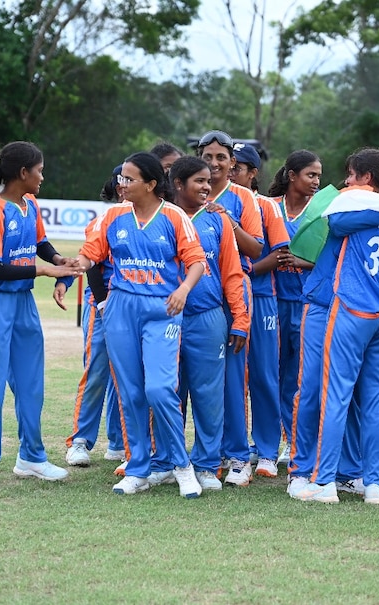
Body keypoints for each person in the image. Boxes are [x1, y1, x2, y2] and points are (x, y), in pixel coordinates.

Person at [293, 148, 379, 505]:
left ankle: (324, 480)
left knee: (334, 394)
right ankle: (373, 483)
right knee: (373, 399)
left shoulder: (353, 204)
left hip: (351, 306)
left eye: (353, 175)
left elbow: (335, 222)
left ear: (367, 179)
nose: (347, 182)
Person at [75, 151, 207, 497]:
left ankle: (181, 466)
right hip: (120, 309)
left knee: (159, 389)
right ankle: (138, 470)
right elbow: (91, 253)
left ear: (150, 184)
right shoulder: (113, 215)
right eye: (121, 178)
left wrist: (182, 290)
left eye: (129, 179)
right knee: (130, 392)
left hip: (162, 309)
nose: (122, 185)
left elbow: (196, 263)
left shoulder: (175, 216)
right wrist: (68, 265)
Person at [0, 141, 80, 489]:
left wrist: (58, 260)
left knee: (31, 385)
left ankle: (31, 457)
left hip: (23, 305)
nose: (42, 177)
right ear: (22, 173)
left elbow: (41, 244)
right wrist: (46, 272)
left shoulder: (30, 203)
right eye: (39, 170)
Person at [157, 155, 250, 491]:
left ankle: (207, 465)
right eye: (199, 181)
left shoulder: (218, 220)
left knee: (209, 394)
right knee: (168, 391)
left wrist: (239, 318)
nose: (207, 187)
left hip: (209, 317)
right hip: (166, 316)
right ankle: (168, 460)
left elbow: (232, 272)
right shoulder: (162, 217)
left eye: (208, 182)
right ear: (178, 184)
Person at [197, 129, 263, 487]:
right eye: (208, 156)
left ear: (232, 163)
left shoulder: (241, 198)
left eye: (221, 158)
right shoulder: (185, 193)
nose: (214, 163)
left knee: (234, 378)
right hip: (196, 296)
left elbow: (256, 249)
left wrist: (227, 221)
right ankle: (195, 455)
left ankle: (238, 456)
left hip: (234, 292)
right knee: (195, 379)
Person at [231, 143, 291, 478]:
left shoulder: (265, 205)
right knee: (230, 379)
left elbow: (281, 254)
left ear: (253, 173)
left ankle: (267, 451)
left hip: (262, 298)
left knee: (265, 376)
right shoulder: (217, 201)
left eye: (239, 167)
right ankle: (234, 447)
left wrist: (246, 273)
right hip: (227, 300)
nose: (231, 171)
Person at [65, 166, 126, 467]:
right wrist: (102, 304)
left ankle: (117, 442)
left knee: (125, 376)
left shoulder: (157, 217)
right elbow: (90, 264)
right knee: (97, 370)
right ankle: (80, 441)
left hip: (132, 306)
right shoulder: (104, 220)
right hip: (103, 305)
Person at [268, 150, 322, 465]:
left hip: (305, 304)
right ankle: (264, 444)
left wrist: (300, 262)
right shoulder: (269, 207)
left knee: (298, 379)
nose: (316, 181)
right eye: (310, 175)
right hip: (272, 304)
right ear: (292, 175)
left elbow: (330, 260)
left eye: (318, 175)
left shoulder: (321, 212)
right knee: (267, 375)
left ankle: (295, 442)